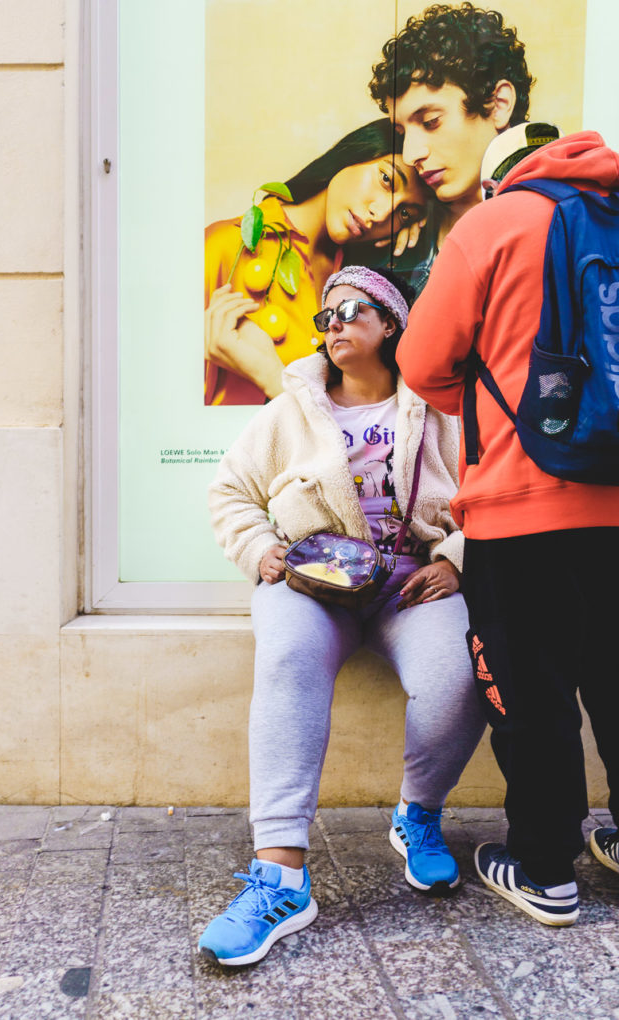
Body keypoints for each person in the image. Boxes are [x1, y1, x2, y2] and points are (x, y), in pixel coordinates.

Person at [198, 265, 486, 966]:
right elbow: (229, 491)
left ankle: (417, 815)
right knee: (290, 659)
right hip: (311, 580)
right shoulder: (290, 409)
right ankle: (280, 877)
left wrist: (453, 555)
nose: (333, 322)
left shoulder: (442, 406)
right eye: (326, 312)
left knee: (460, 674)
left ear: (391, 325)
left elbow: (487, 488)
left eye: (352, 309)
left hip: (408, 582)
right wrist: (262, 549)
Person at [396, 126, 619, 927]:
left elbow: (421, 362)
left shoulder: (492, 224)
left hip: (522, 508)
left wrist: (495, 408)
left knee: (532, 691)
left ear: (497, 180)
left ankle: (545, 869)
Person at [205, 118, 431, 405]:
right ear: (355, 152)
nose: (382, 213)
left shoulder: (357, 282)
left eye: (404, 214)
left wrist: (425, 233)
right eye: (386, 179)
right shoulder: (225, 246)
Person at [368, 2, 533, 291]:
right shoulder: (408, 240)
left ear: (499, 105)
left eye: (431, 121)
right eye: (401, 132)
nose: (411, 154)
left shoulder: (557, 223)